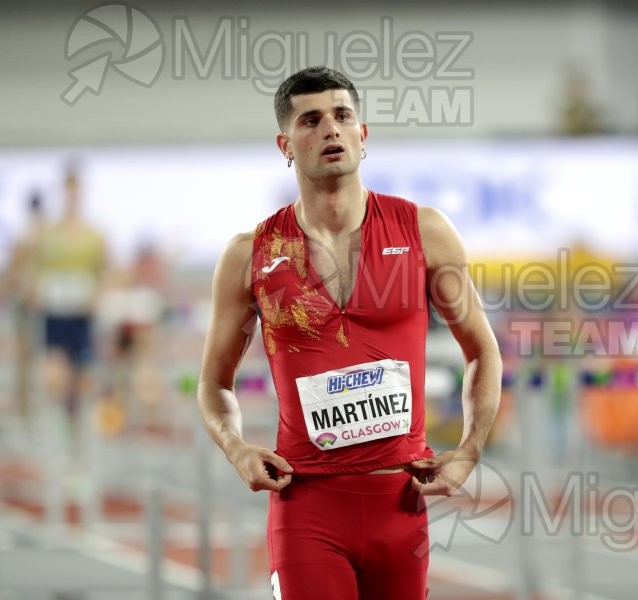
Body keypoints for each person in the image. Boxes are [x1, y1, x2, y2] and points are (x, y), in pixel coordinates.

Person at [197, 66, 502, 600]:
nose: (330, 130)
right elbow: (214, 384)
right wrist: (235, 447)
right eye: (310, 121)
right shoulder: (251, 254)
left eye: (342, 117)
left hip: (400, 505)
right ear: (285, 144)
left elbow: (483, 352)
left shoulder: (423, 231)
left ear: (363, 135)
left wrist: (470, 449)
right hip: (307, 507)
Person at [35, 167, 107, 445]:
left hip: (82, 316)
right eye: (68, 191)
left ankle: (79, 439)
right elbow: (32, 271)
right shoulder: (46, 235)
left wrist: (97, 294)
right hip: (55, 315)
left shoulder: (94, 236)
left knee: (82, 384)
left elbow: (105, 272)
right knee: (55, 379)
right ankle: (57, 439)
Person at [1, 191, 47, 423]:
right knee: (24, 360)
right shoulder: (28, 236)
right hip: (27, 306)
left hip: (42, 306)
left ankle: (28, 406)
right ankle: (25, 407)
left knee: (32, 361)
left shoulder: (42, 235)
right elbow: (13, 273)